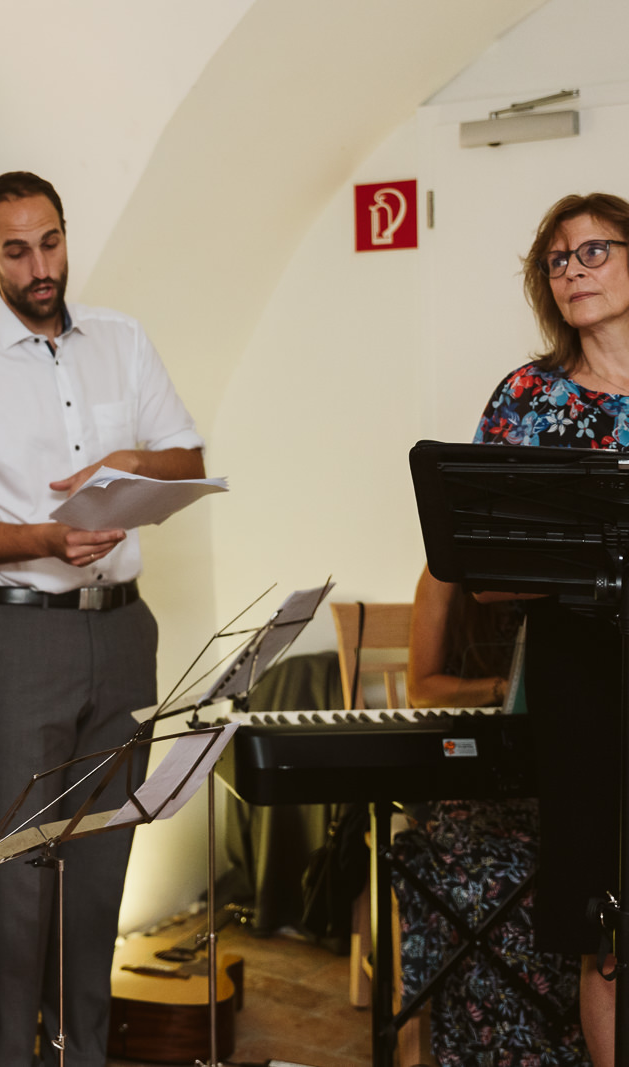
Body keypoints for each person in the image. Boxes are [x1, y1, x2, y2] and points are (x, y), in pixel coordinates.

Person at [0, 171, 205, 1067]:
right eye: (17, 250)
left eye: (51, 242)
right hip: (13, 637)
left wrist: (129, 461)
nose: (41, 266)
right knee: (17, 881)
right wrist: (39, 537)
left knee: (100, 868)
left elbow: (187, 455)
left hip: (121, 631)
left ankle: (84, 1055)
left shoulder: (122, 338)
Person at [475, 191, 629, 1067]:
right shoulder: (528, 398)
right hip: (579, 674)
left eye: (594, 251)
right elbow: (481, 572)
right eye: (558, 260)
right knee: (600, 911)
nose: (573, 270)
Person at [393, 567, 587, 1067]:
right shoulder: (444, 574)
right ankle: (491, 1046)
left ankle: (563, 1041)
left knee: (581, 868)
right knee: (494, 874)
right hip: (466, 784)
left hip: (550, 782)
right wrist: (503, 688)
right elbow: (422, 689)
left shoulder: (566, 572)